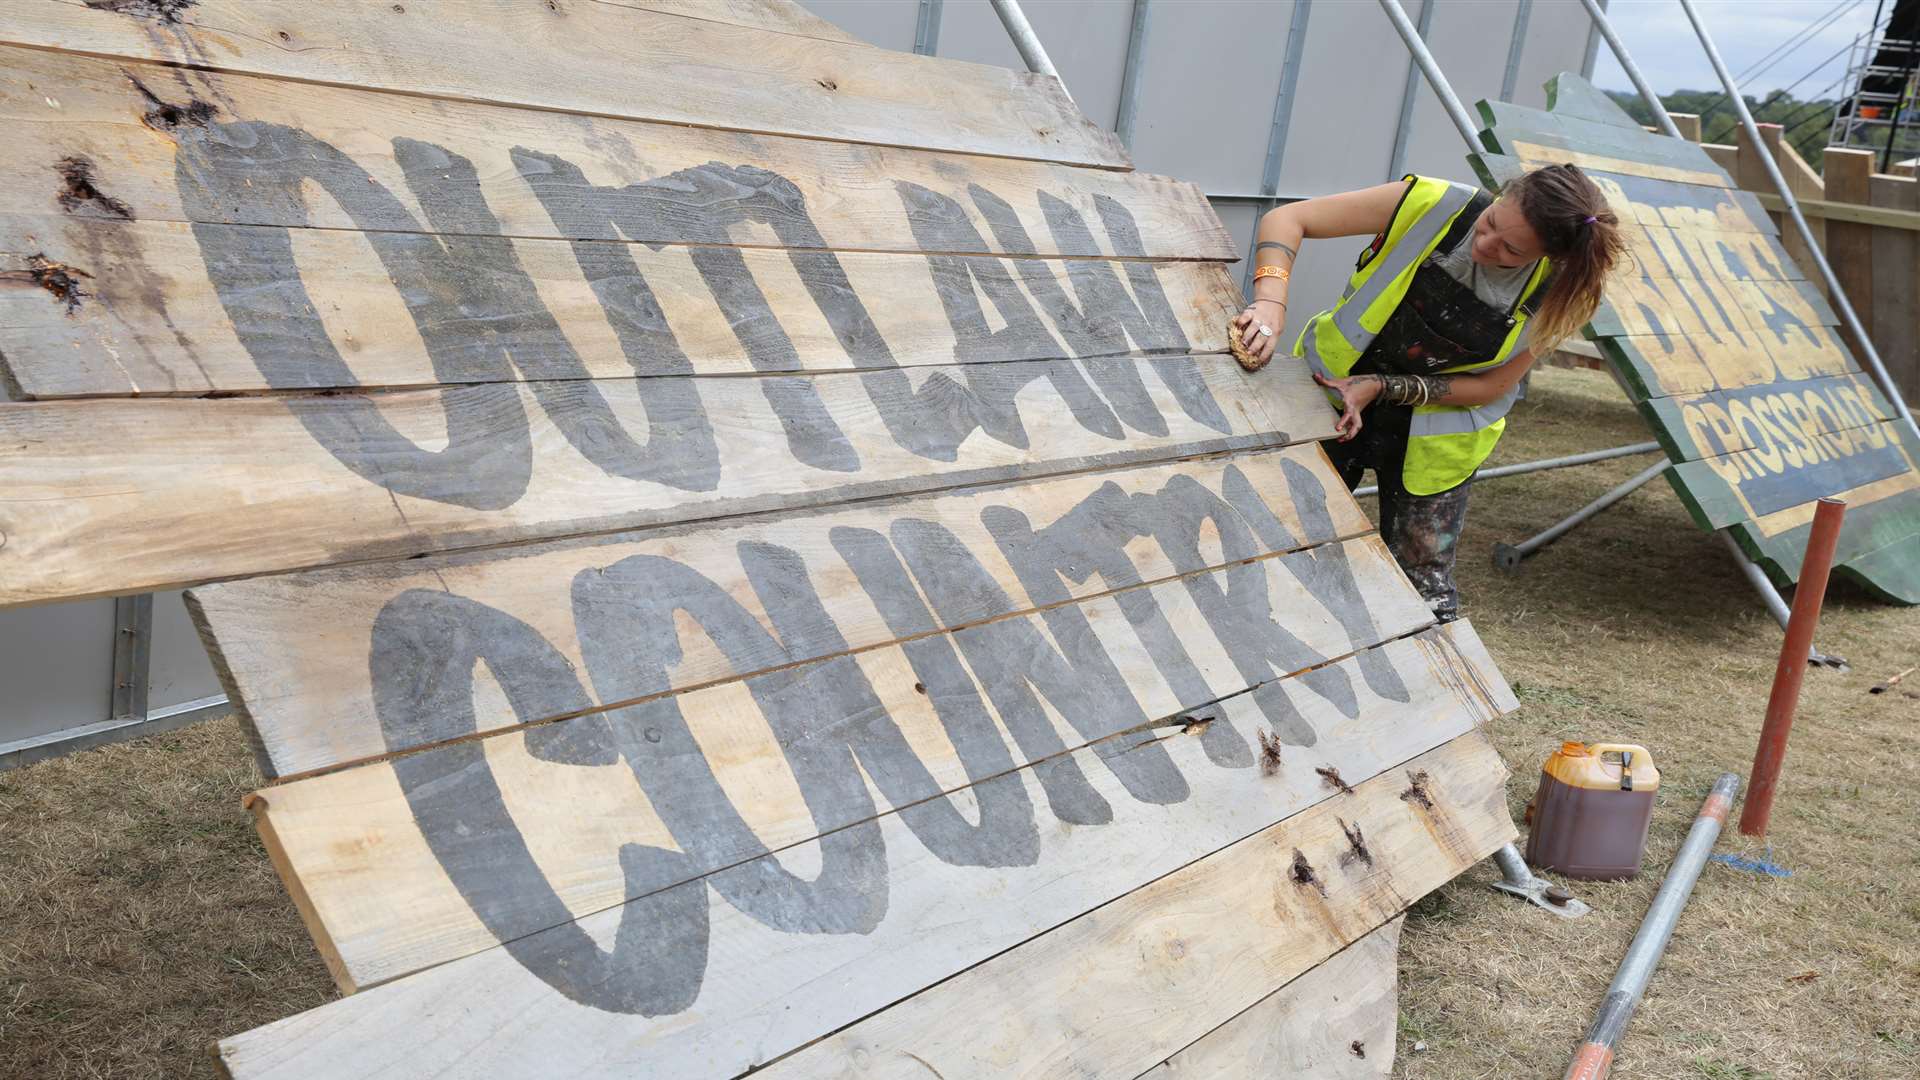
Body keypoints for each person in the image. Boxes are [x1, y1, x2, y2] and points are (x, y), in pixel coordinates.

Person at [1233, 165, 1623, 623]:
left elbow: (1494, 385)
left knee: (1424, 597)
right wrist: (1270, 302)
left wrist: (1382, 388)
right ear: (1501, 195)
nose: (1485, 245)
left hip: (1435, 439)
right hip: (1326, 396)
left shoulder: (1566, 292)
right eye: (1492, 222)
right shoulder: (1434, 203)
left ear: (1549, 257)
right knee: (1265, 533)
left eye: (1511, 251)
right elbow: (1288, 219)